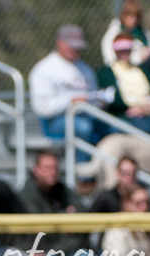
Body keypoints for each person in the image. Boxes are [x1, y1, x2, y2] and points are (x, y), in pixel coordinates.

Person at [20, 150, 104, 256]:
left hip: (70, 250)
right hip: (45, 251)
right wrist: (66, 216)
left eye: (54, 168)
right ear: (36, 170)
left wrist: (60, 222)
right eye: (46, 168)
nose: (51, 172)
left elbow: (84, 216)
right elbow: (41, 228)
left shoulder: (63, 189)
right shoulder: (27, 193)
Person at [29, 24, 110, 159]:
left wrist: (101, 102)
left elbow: (92, 98)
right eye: (72, 46)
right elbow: (41, 107)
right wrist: (72, 101)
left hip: (86, 115)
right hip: (56, 121)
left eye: (78, 47)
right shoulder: (44, 69)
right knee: (84, 128)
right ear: (60, 43)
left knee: (112, 127)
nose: (76, 50)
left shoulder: (85, 69)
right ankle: (82, 175)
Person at [97, 33, 150, 134]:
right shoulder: (106, 73)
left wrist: (147, 108)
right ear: (115, 51)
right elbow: (112, 99)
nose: (125, 53)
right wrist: (131, 109)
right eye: (121, 50)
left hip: (149, 114)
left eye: (127, 50)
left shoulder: (142, 70)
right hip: (126, 117)